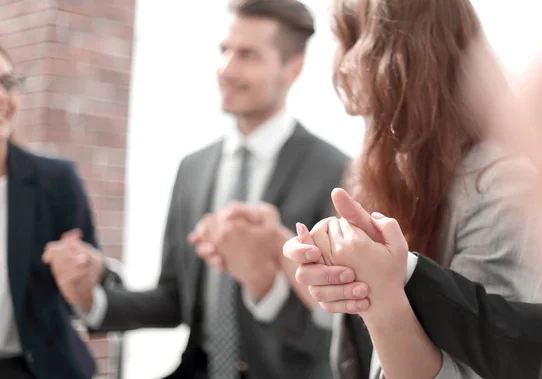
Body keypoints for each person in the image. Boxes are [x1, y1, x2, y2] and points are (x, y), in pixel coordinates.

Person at [284, 1, 542, 378]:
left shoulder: (500, 185)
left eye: (340, 38)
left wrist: (382, 296)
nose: (335, 62)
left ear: (383, 56)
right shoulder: (377, 170)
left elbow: (490, 365)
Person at [43, 1, 349, 379]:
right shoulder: (194, 168)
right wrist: (90, 299)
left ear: (293, 68)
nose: (227, 69)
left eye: (248, 55)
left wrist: (265, 284)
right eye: (225, 50)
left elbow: (340, 327)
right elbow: (172, 300)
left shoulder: (335, 172)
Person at [0, 46, 99, 378]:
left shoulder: (56, 181)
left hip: (36, 369)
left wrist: (86, 273)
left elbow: (100, 288)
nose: (3, 96)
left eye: (8, 82)